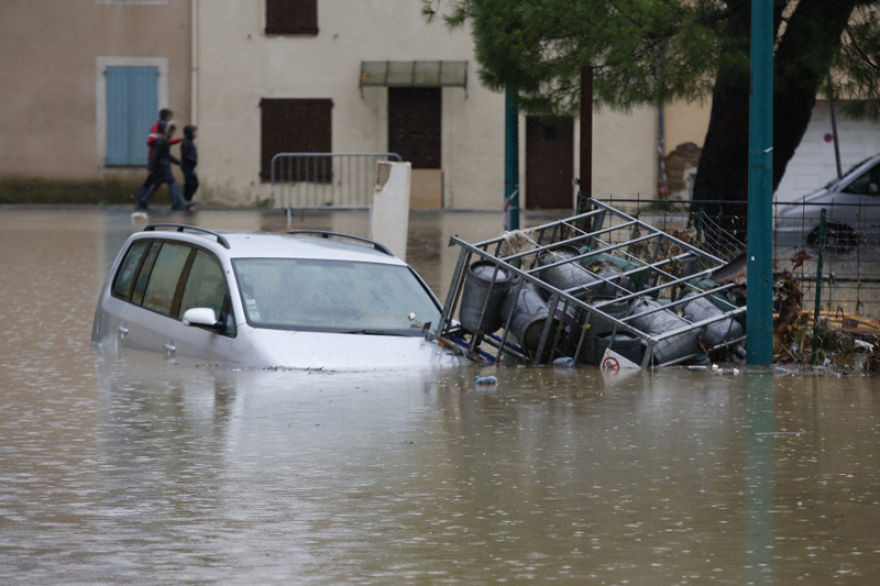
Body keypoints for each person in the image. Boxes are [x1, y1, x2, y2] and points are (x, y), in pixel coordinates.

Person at [136, 121, 187, 211]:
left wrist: (178, 162)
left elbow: (164, 155)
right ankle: (175, 203)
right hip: (162, 166)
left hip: (160, 166)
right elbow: (159, 155)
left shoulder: (162, 140)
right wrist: (152, 166)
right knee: (171, 183)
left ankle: (144, 200)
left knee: (157, 184)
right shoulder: (161, 141)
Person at [181, 124, 199, 210]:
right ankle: (186, 202)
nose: (196, 133)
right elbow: (185, 155)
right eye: (194, 132)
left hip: (191, 167)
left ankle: (187, 201)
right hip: (187, 166)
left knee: (194, 183)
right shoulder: (185, 142)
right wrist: (192, 160)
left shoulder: (190, 142)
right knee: (190, 184)